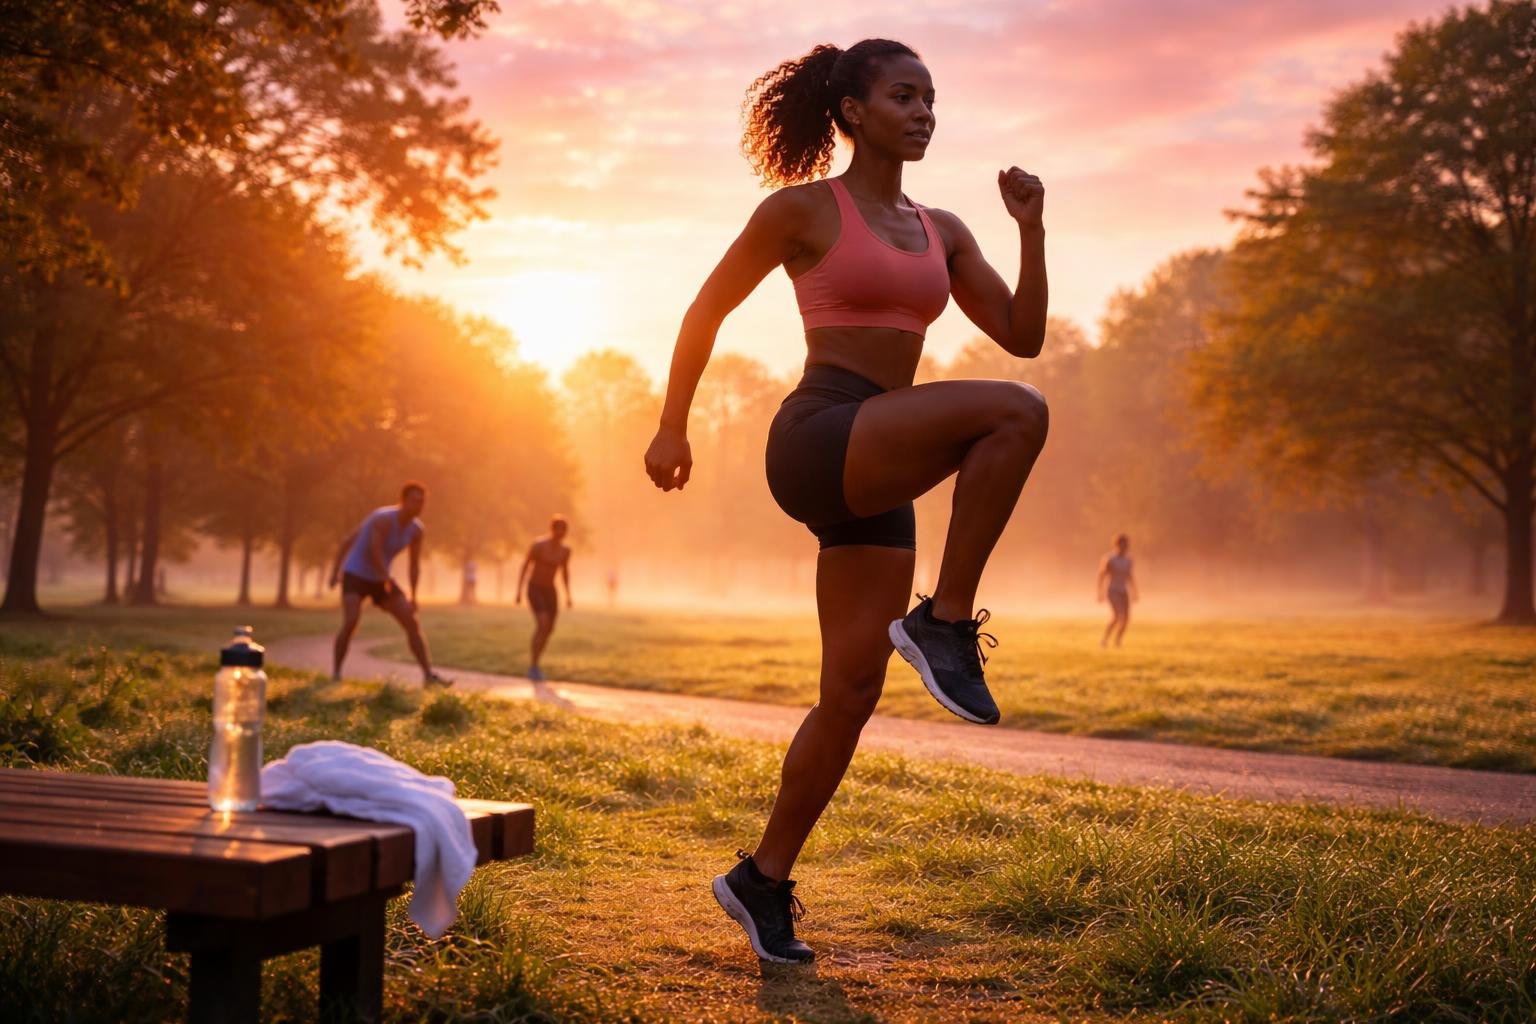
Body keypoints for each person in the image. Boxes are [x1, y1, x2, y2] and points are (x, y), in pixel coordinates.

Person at [643, 39, 1049, 963]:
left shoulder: (943, 228)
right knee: (1016, 416)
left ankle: (761, 880)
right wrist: (673, 425)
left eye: (932, 99)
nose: (923, 112)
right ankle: (944, 624)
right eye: (903, 96)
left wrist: (1028, 226)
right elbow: (705, 309)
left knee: (853, 690)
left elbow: (1022, 334)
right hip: (822, 435)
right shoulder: (801, 211)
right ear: (853, 111)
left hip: (880, 462)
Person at [328, 482, 451, 686]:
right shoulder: (382, 518)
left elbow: (414, 565)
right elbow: (373, 550)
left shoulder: (416, 530)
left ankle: (428, 676)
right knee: (350, 622)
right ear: (403, 501)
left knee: (412, 622)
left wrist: (413, 596)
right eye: (414, 501)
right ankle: (336, 674)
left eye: (422, 502)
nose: (418, 506)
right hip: (356, 574)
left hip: (381, 578)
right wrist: (336, 572)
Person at [516, 515, 573, 681]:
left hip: (550, 590)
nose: (561, 533)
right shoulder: (539, 546)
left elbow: (565, 573)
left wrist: (568, 595)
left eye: (564, 530)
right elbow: (525, 566)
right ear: (552, 529)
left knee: (549, 629)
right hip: (535, 588)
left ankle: (536, 662)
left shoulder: (565, 551)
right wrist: (519, 591)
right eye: (558, 529)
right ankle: (533, 666)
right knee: (542, 623)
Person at [1097, 533, 1138, 648]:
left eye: (1126, 545)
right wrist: (1100, 592)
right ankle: (1104, 639)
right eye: (1122, 545)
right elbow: (1102, 576)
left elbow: (1129, 576)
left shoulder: (1128, 560)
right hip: (1113, 591)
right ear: (1117, 545)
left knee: (1126, 619)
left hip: (1123, 591)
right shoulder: (1110, 559)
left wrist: (1134, 591)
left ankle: (1118, 640)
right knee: (1117, 616)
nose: (1125, 548)